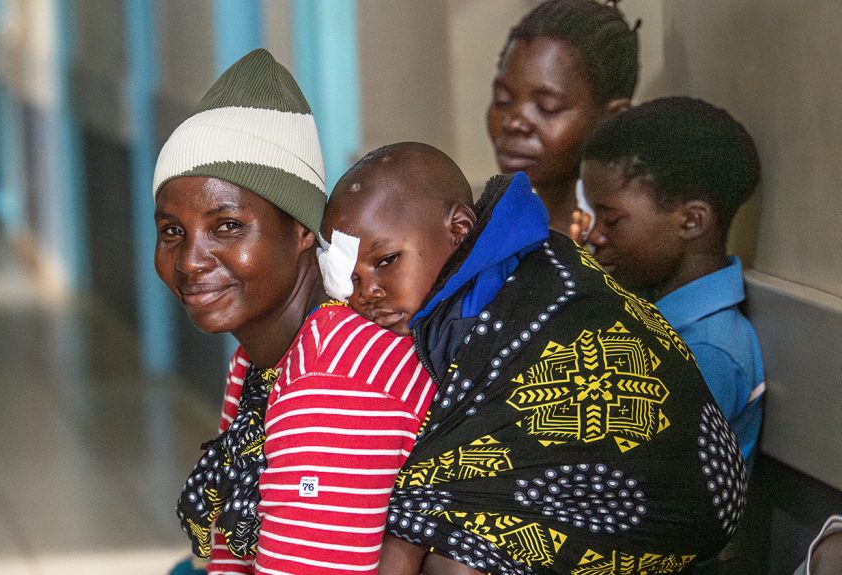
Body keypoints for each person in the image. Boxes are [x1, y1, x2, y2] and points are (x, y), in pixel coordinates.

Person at [321, 141, 748, 574]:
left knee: (430, 536)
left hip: (650, 493)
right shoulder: (484, 278)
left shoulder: (502, 296)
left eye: (386, 260)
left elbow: (440, 470)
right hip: (681, 499)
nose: (367, 292)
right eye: (352, 278)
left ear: (459, 228)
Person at [153, 49, 436, 575]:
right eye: (172, 231)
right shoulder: (260, 358)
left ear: (304, 229)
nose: (189, 261)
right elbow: (232, 556)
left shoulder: (332, 381)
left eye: (228, 226)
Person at [579, 97, 765, 468]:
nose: (593, 236)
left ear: (691, 221)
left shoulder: (708, 352)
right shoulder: (642, 305)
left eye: (611, 219)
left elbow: (618, 470)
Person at [487, 0, 638, 235]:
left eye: (547, 107)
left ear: (614, 119)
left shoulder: (626, 250)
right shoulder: (488, 233)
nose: (514, 122)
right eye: (502, 100)